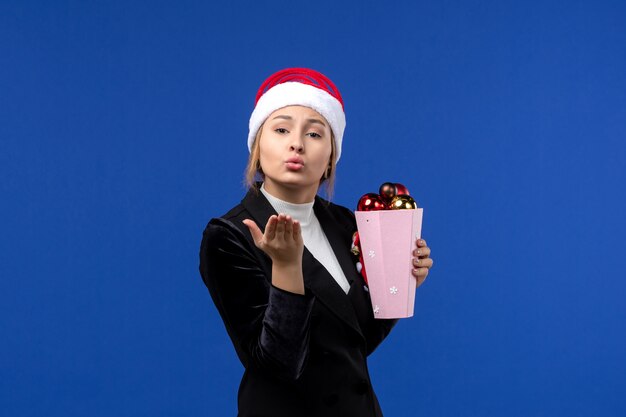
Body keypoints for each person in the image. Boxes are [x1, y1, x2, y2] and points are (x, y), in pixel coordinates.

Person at [199, 68, 433, 417]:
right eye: (281, 129)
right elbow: (277, 365)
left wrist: (400, 282)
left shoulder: (345, 223)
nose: (297, 143)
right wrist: (287, 269)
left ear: (330, 158)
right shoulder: (230, 234)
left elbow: (352, 344)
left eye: (314, 133)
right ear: (257, 148)